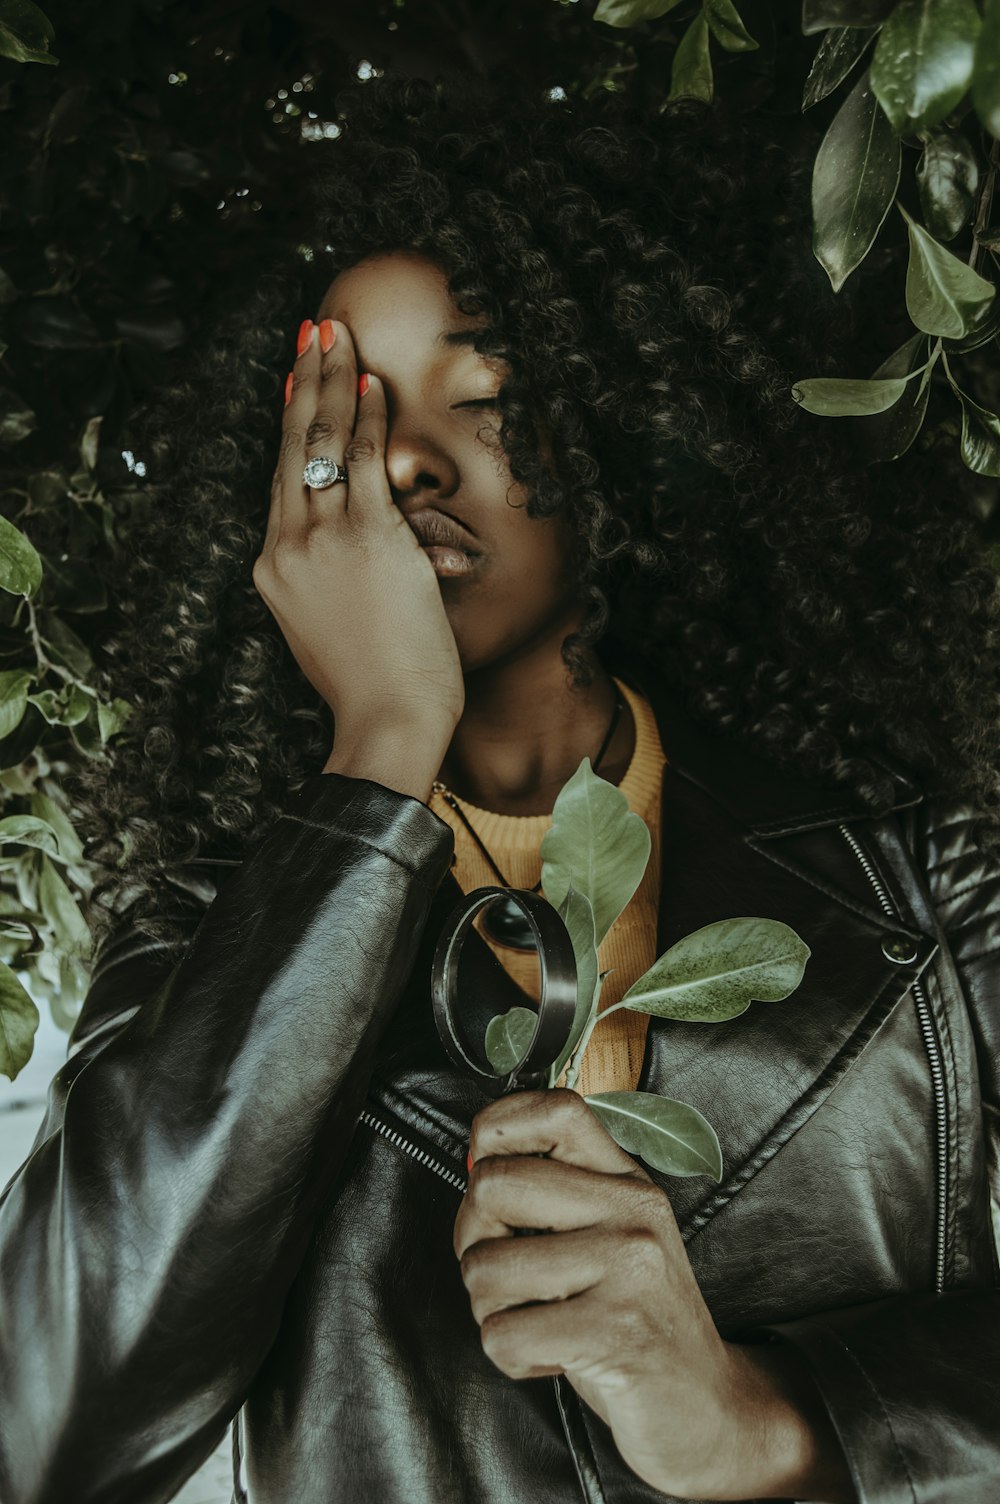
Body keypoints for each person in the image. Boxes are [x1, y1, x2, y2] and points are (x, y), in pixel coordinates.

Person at [1, 69, 998, 1504]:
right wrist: (386, 738)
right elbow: (45, 1433)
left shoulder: (920, 859)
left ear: (624, 443)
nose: (406, 457)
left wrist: (762, 1421)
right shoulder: (218, 931)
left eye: (488, 398)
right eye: (346, 419)